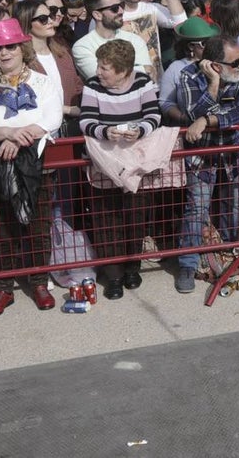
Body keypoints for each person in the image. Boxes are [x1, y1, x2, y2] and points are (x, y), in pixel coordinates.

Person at [0, 18, 64, 317]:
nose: (5, 53)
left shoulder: (44, 82)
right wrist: (10, 134)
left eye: (10, 46)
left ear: (22, 47)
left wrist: (17, 137)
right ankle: (5, 289)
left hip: (38, 165)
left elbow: (52, 119)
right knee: (3, 230)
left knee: (39, 227)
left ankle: (38, 282)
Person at [79, 39, 162, 299]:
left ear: (123, 71)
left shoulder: (142, 83)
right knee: (106, 218)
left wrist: (140, 130)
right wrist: (105, 131)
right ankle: (113, 276)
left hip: (134, 160)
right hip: (104, 161)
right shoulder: (92, 86)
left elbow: (154, 115)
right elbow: (86, 120)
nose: (99, 72)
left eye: (105, 68)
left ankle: (132, 267)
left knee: (135, 215)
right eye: (99, 66)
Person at [174, 36, 239, 292]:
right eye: (235, 62)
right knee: (197, 208)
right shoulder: (188, 75)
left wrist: (207, 121)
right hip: (201, 154)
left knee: (232, 203)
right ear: (215, 65)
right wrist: (214, 86)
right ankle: (187, 263)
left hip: (232, 150)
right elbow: (190, 115)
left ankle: (228, 252)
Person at [71, 0, 154, 80]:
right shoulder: (82, 47)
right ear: (97, 15)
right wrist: (141, 69)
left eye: (121, 5)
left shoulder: (134, 39)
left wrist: (112, 71)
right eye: (114, 8)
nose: (121, 11)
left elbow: (148, 74)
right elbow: (102, 77)